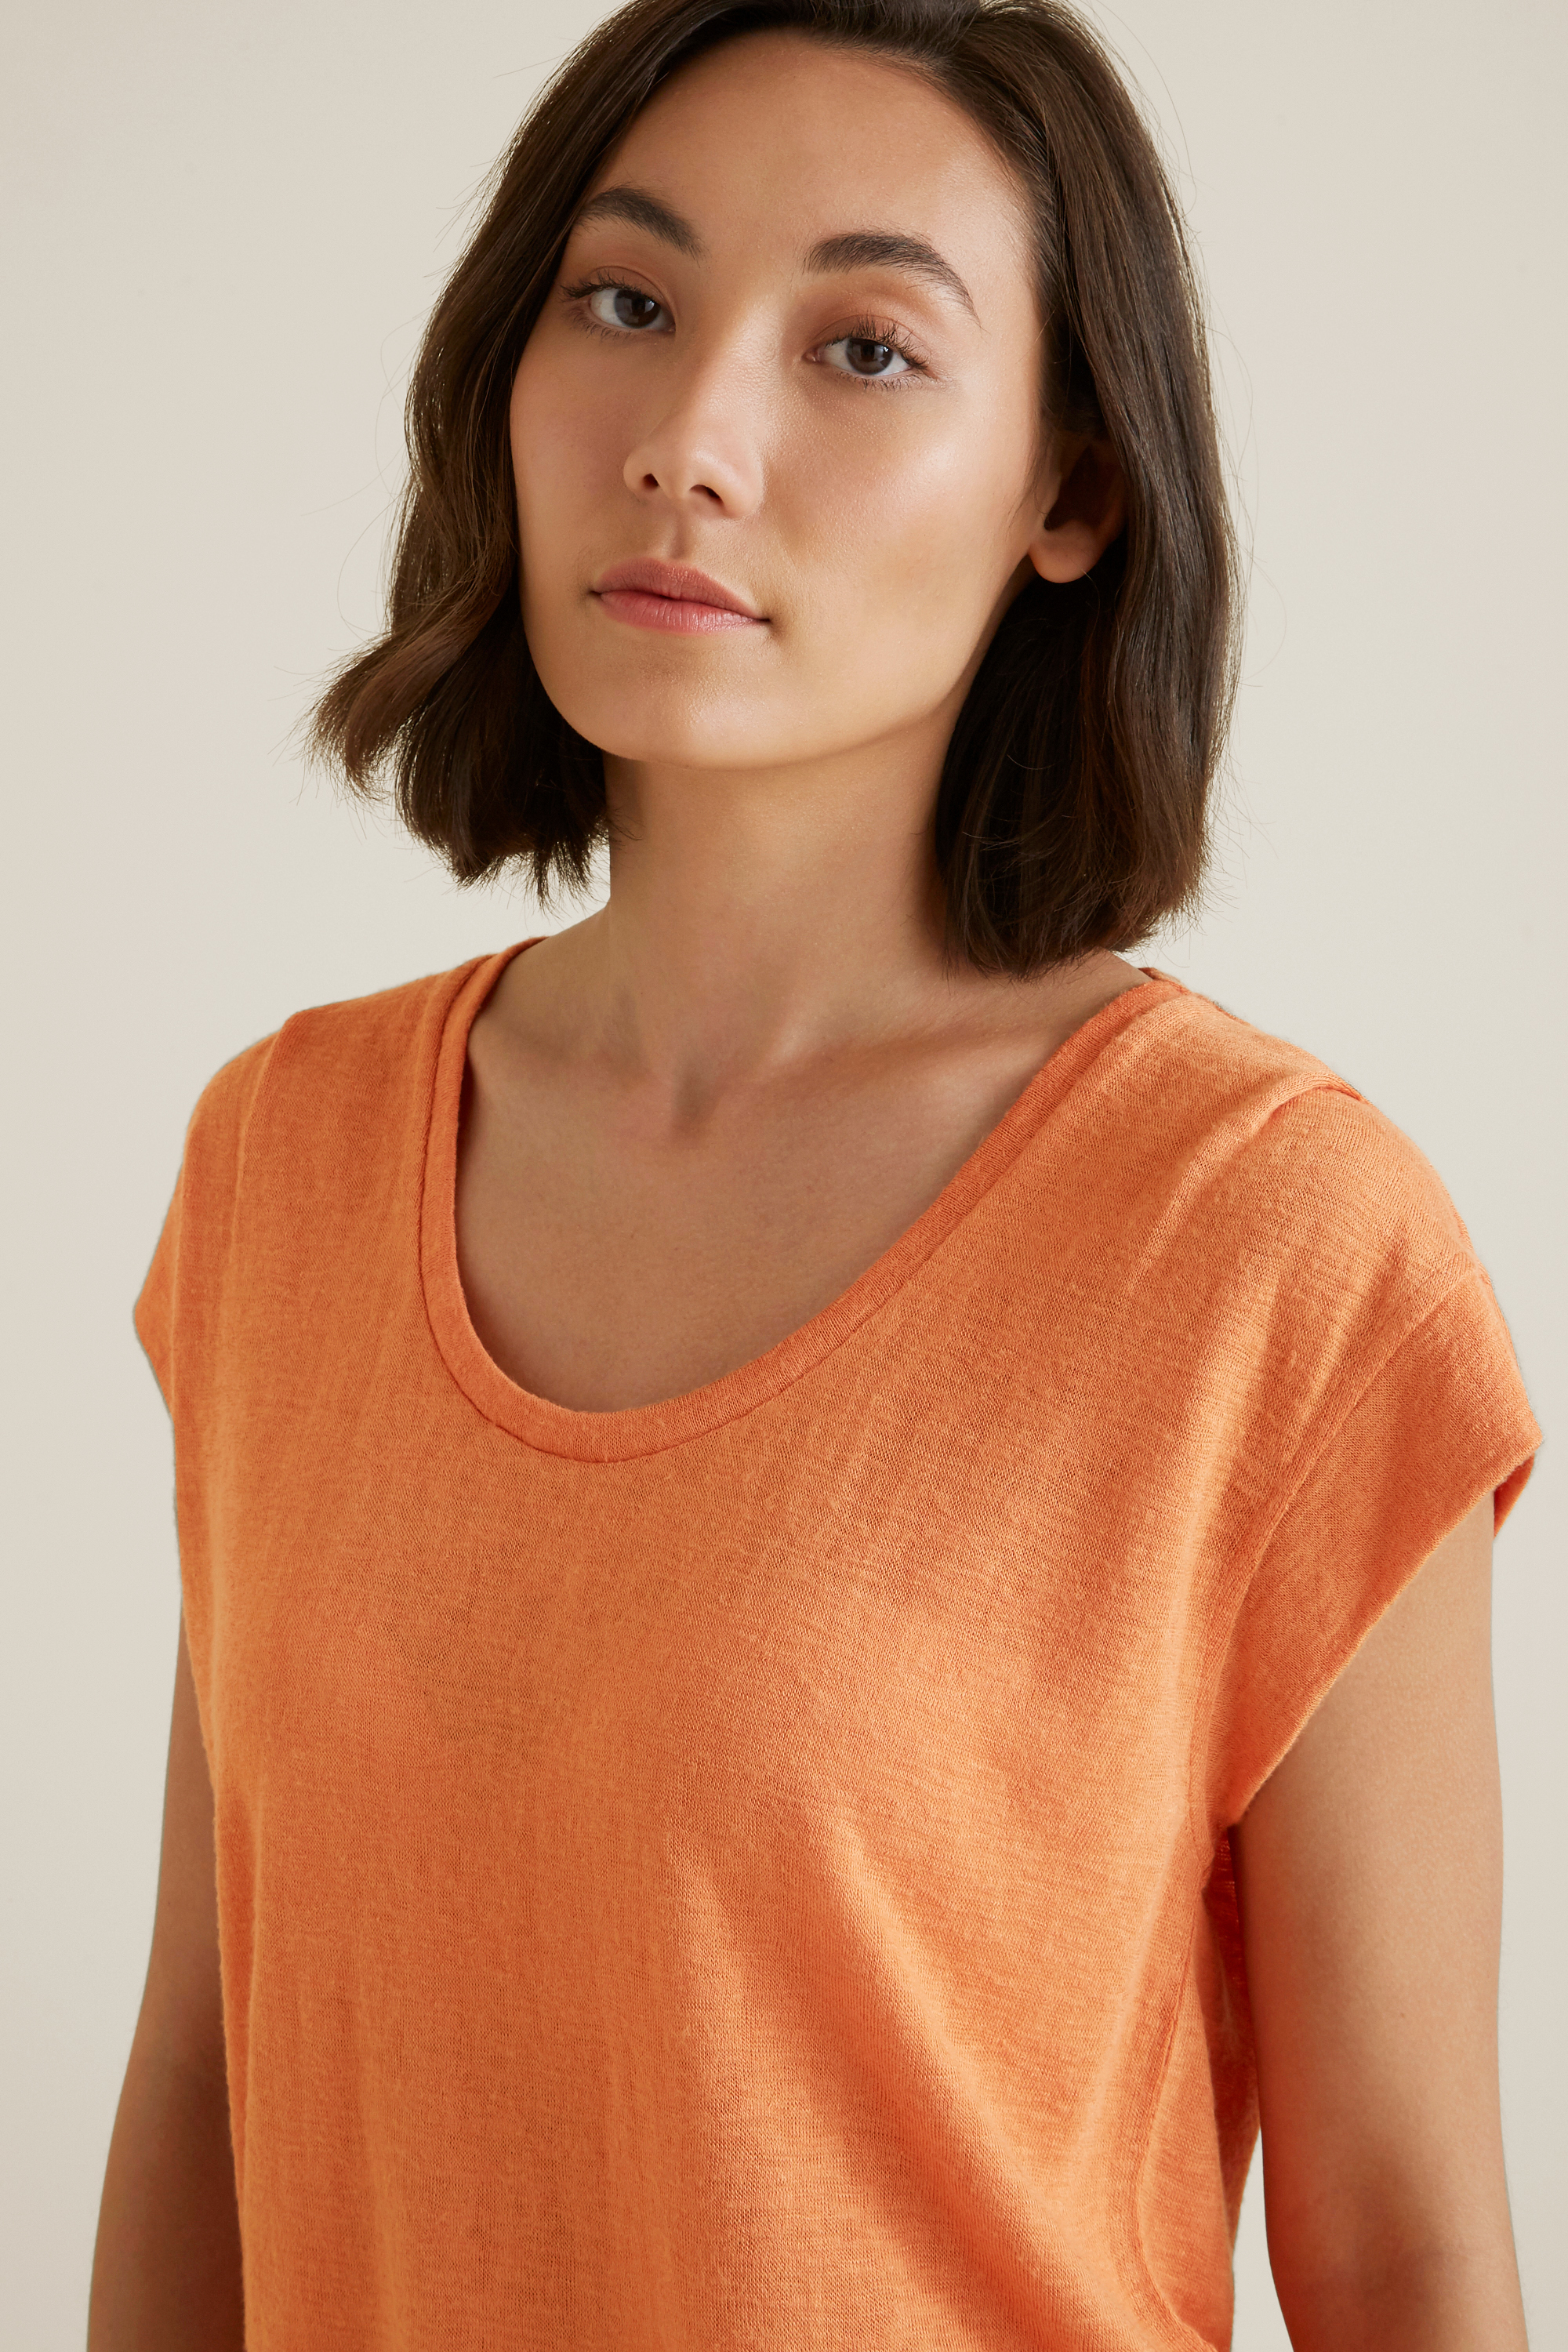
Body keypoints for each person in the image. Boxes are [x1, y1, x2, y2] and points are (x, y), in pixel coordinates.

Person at [89, 0, 1541, 2345]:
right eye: (625, 300)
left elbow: (1404, 2257)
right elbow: (205, 2084)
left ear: (1070, 493)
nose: (689, 439)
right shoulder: (289, 1161)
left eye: (864, 348)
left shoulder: (1270, 1243)